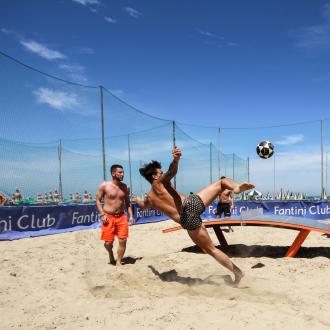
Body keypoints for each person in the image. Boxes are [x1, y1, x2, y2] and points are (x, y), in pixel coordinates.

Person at [135, 147, 255, 286]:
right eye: (160, 173)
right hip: (191, 205)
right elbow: (171, 171)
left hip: (186, 220)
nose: (162, 174)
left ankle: (238, 273)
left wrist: (137, 199)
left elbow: (143, 206)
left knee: (211, 250)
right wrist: (176, 159)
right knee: (222, 183)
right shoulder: (160, 182)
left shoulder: (149, 197)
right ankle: (236, 188)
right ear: (155, 177)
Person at [96, 164, 134, 266]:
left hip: (121, 217)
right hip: (108, 217)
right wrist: (102, 214)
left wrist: (131, 216)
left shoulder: (125, 187)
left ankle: (118, 261)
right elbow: (98, 200)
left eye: (123, 172)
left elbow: (128, 202)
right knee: (108, 243)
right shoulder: (104, 185)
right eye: (120, 172)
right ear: (113, 173)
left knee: (123, 240)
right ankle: (110, 253)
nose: (123, 174)